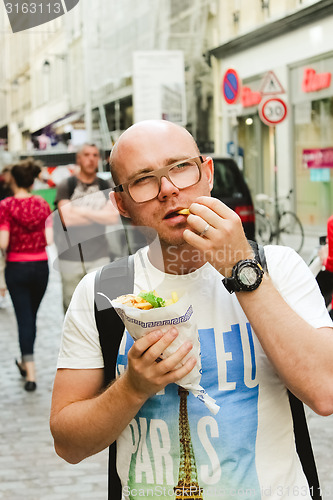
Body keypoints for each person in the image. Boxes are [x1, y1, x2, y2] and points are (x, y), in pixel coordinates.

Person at [50, 120, 333, 499]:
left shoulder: (277, 268)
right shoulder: (103, 292)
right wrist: (132, 388)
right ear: (121, 203)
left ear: (207, 173)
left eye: (180, 168)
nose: (168, 189)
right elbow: (68, 444)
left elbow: (324, 392)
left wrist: (240, 268)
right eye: (144, 179)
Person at [0, 158, 53, 391]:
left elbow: (4, 242)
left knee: (24, 319)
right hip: (41, 266)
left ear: (13, 179)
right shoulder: (42, 204)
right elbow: (50, 239)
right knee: (30, 317)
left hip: (17, 268)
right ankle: (25, 363)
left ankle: (30, 374)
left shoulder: (6, 206)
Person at [54, 143, 119, 312]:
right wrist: (98, 215)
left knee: (101, 306)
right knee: (71, 306)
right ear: (79, 159)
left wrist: (78, 210)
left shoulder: (105, 185)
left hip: (99, 255)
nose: (91, 159)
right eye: (87, 155)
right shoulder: (67, 185)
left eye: (95, 155)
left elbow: (112, 217)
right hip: (70, 256)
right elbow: (67, 219)